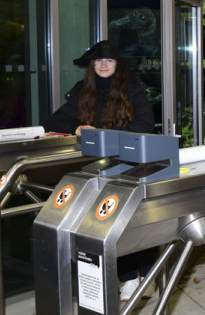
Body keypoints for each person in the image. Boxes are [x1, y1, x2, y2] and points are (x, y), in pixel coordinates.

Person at [42, 40, 156, 302]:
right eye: (98, 61)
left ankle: (140, 276)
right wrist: (78, 128)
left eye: (109, 60)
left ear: (118, 64)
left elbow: (145, 126)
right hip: (96, 167)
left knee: (127, 223)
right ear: (92, 65)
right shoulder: (84, 90)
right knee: (104, 225)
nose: (103, 64)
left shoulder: (132, 88)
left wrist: (103, 134)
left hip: (129, 163)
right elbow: (53, 121)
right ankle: (127, 277)